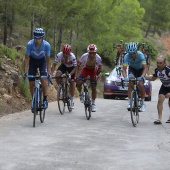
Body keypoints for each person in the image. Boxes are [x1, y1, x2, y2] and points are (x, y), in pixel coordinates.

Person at [23, 28, 52, 112]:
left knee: (43, 80)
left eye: (39, 38)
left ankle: (45, 99)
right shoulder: (30, 44)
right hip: (32, 61)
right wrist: (25, 72)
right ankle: (34, 100)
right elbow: (26, 59)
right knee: (31, 82)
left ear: (42, 38)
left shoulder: (47, 45)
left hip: (42, 62)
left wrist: (49, 73)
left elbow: (48, 61)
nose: (37, 40)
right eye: (35, 38)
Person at [76, 44, 102, 112]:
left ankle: (93, 104)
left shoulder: (98, 58)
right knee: (79, 83)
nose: (92, 55)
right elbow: (78, 66)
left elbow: (100, 68)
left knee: (93, 86)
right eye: (90, 53)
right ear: (88, 52)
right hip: (85, 69)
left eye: (93, 53)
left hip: (93, 70)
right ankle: (81, 93)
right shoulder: (84, 56)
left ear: (95, 53)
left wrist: (97, 75)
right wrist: (76, 75)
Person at [122, 42, 147, 112]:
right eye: (130, 54)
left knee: (140, 84)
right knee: (130, 83)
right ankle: (129, 102)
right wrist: (125, 77)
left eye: (133, 53)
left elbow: (145, 68)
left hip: (141, 69)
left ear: (136, 52)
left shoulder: (141, 55)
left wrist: (142, 76)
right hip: (132, 69)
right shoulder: (126, 56)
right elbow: (124, 69)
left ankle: (142, 103)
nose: (131, 55)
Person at [51, 44, 77, 109]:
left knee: (71, 82)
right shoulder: (59, 55)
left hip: (71, 68)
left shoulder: (72, 57)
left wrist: (70, 74)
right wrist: (51, 74)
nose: (65, 55)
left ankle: (72, 100)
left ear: (69, 53)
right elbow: (54, 65)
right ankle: (62, 89)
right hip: (64, 66)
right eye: (64, 53)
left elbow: (75, 68)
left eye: (67, 54)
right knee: (57, 76)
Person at [146, 55, 170, 124]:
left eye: (160, 63)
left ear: (164, 63)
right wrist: (144, 77)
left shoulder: (167, 70)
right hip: (165, 86)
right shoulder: (157, 70)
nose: (158, 64)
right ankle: (159, 119)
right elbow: (153, 78)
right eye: (157, 63)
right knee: (160, 100)